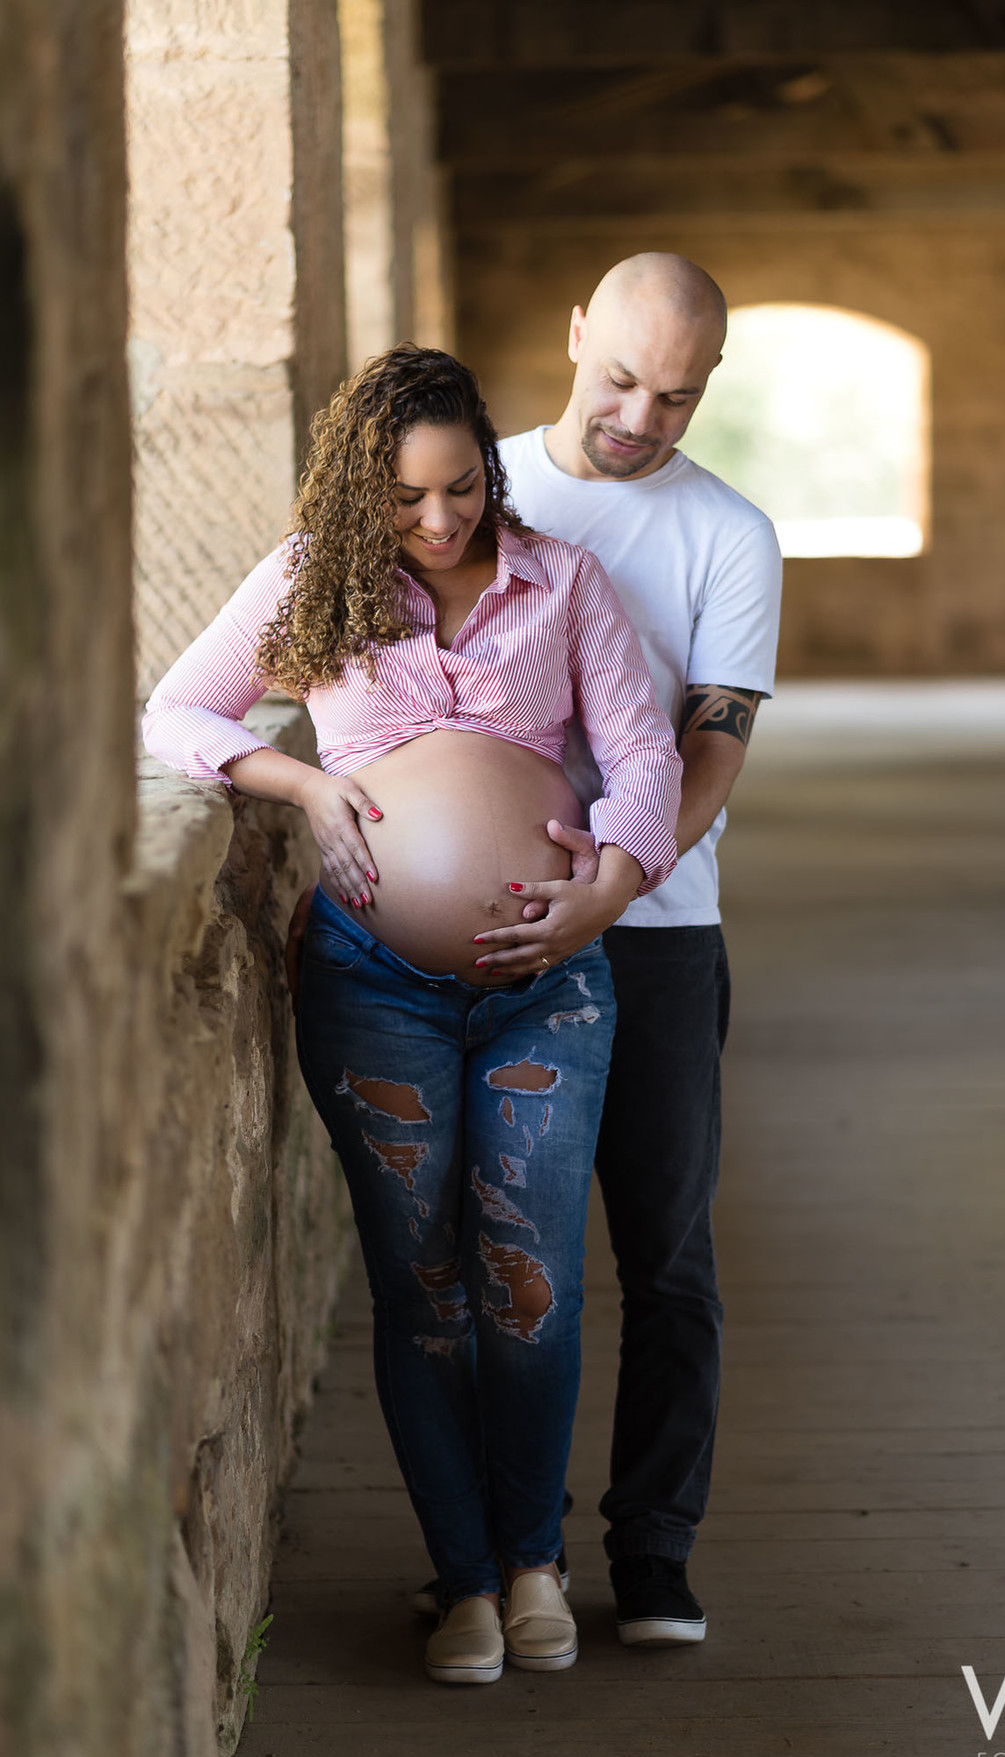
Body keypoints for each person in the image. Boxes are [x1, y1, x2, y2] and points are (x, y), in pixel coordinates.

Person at [142, 346, 682, 1684]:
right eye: (403, 499)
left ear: (491, 472)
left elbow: (644, 757)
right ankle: (464, 1578)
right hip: (371, 985)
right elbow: (177, 714)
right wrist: (308, 787)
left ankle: (537, 1560)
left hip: (546, 986)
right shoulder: (305, 584)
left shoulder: (562, 582)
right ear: (354, 494)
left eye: (461, 489)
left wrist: (601, 893)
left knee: (530, 1280)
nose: (439, 522)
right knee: (422, 1282)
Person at [487, 252, 782, 1645]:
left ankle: (654, 1552)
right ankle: (500, 1550)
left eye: (675, 396)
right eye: (617, 379)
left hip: (659, 931)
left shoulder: (729, 531)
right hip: (485, 927)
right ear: (570, 336)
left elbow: (713, 738)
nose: (637, 418)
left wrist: (620, 880)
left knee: (666, 1255)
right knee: (500, 1254)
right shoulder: (464, 487)